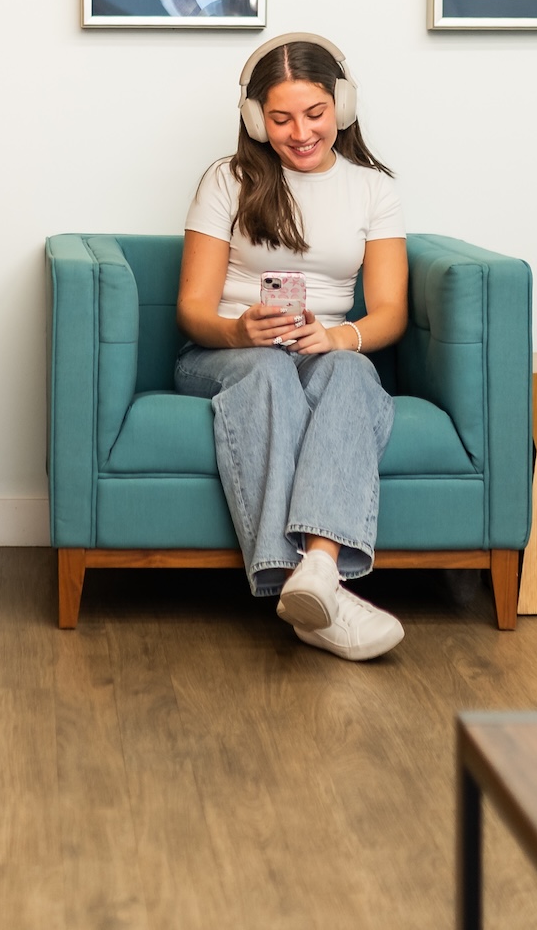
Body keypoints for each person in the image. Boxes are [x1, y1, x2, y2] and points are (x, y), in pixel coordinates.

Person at [175, 33, 409, 661]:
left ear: (343, 107)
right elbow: (192, 310)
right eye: (280, 119)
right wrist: (236, 329)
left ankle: (318, 576)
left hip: (318, 349)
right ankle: (306, 588)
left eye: (315, 114)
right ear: (255, 119)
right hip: (227, 354)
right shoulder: (227, 180)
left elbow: (390, 313)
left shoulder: (372, 190)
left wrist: (336, 337)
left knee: (354, 374)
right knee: (270, 374)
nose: (300, 132)